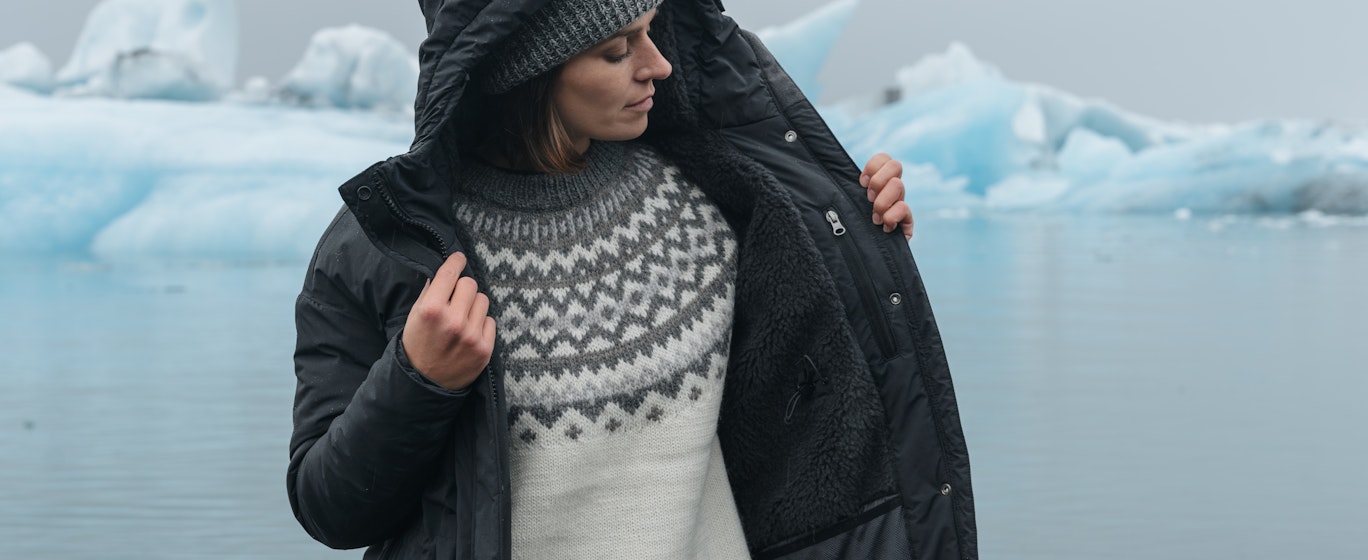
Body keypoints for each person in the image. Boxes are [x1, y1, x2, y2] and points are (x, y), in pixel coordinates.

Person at [288, 0, 976, 558]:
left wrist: (855, 229)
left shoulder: (718, 195)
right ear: (527, 71)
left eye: (652, 31)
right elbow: (330, 509)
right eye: (617, 50)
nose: (658, 65)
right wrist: (418, 380)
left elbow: (834, 417)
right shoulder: (389, 244)